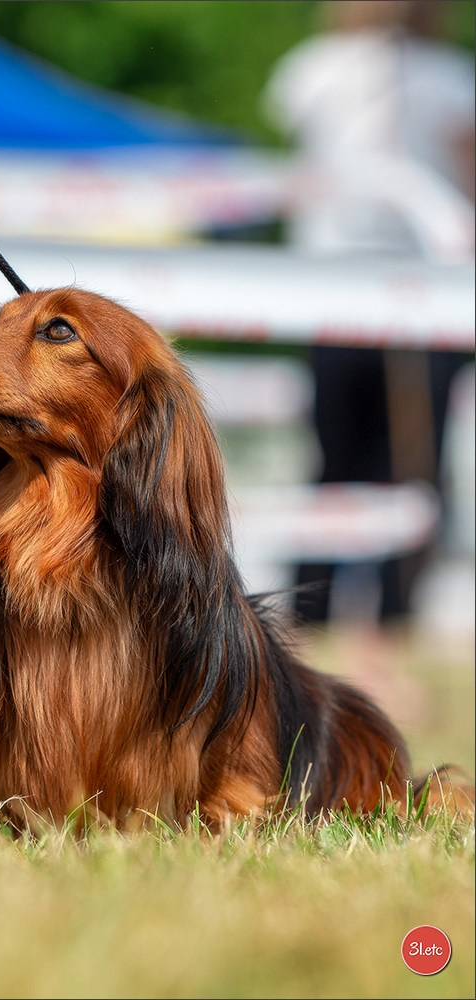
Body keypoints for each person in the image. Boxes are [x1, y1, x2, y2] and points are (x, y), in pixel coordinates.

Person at [262, 0, 474, 625]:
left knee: (410, 455)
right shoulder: (319, 66)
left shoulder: (447, 74)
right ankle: (315, 606)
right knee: (340, 449)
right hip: (338, 280)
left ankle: (394, 608)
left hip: (420, 286)